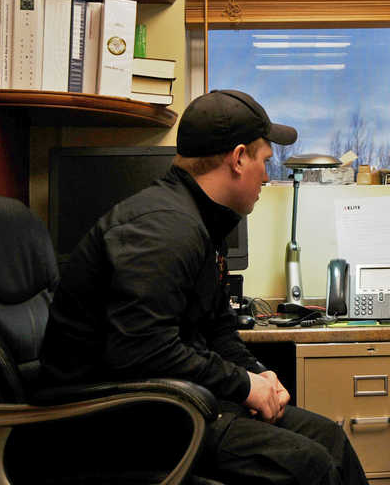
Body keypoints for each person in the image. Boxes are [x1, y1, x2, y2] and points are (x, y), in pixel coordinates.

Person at [40, 89, 368, 485]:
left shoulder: (198, 221)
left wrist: (260, 375)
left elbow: (215, 329)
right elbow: (142, 349)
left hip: (170, 399)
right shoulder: (163, 227)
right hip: (116, 418)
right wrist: (243, 385)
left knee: (328, 438)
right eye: (264, 162)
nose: (266, 175)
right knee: (307, 464)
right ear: (238, 157)